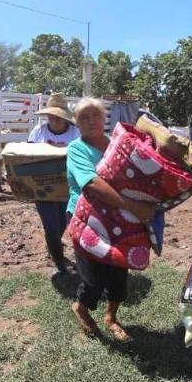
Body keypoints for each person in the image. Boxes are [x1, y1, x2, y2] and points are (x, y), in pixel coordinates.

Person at [66, 98, 154, 341]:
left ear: (104, 117)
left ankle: (111, 317)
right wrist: (133, 206)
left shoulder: (117, 144)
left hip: (120, 218)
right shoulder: (76, 149)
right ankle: (81, 308)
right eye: (84, 117)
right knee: (93, 279)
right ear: (77, 123)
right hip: (86, 218)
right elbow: (92, 184)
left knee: (118, 275)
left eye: (95, 114)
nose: (91, 120)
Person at [28, 92, 81, 276]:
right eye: (51, 116)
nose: (54, 120)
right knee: (50, 225)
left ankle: (52, 244)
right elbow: (26, 156)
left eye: (58, 117)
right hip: (43, 188)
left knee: (61, 224)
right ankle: (59, 261)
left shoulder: (76, 133)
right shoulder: (38, 131)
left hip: (68, 189)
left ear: (65, 117)